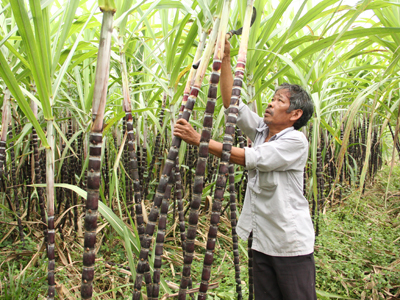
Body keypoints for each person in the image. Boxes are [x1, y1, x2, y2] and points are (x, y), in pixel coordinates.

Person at [173, 40, 316, 299]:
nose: (270, 104)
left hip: (288, 243)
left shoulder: (295, 141)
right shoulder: (263, 130)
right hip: (261, 239)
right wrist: (226, 58)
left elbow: (250, 157)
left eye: (279, 101)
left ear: (295, 114)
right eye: (272, 98)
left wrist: (199, 140)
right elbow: (233, 107)